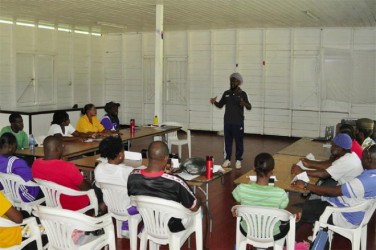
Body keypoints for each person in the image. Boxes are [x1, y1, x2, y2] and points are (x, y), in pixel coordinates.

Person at [292, 144, 376, 229]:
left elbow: (334, 192)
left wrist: (306, 185)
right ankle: (321, 234)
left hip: (345, 216)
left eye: (363, 157)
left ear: (369, 160)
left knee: (298, 209)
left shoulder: (365, 181)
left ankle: (289, 238)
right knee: (313, 200)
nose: (361, 159)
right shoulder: (372, 175)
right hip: (354, 210)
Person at [127, 141, 201, 232]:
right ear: (166, 158)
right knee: (200, 210)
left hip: (148, 220)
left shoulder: (132, 177)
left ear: (147, 155)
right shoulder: (175, 182)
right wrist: (200, 197)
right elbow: (194, 207)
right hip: (172, 226)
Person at [232, 153, 290, 239]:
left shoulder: (241, 189)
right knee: (288, 223)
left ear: (254, 168)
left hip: (247, 230)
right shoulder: (280, 194)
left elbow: (238, 204)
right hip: (272, 233)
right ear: (272, 172)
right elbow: (282, 208)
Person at [31, 135, 91, 211]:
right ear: (58, 149)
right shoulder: (69, 167)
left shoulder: (35, 164)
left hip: (53, 204)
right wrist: (88, 183)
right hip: (74, 205)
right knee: (97, 191)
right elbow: (86, 189)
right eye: (62, 147)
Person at [210, 72, 252, 169]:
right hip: (227, 122)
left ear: (239, 82)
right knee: (227, 141)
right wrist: (214, 102)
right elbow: (220, 105)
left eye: (235, 81)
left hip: (238, 123)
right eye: (231, 80)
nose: (232, 82)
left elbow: (249, 107)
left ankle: (238, 160)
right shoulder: (226, 93)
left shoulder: (242, 94)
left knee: (239, 141)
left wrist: (244, 103)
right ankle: (227, 159)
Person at [95, 136, 135, 236]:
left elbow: (99, 187)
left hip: (111, 205)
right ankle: (135, 226)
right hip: (128, 208)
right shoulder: (127, 171)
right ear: (120, 155)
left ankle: (125, 223)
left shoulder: (98, 169)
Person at [291, 133, 363, 186]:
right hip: (347, 186)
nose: (331, 147)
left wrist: (301, 171)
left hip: (346, 193)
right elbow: (330, 166)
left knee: (319, 184)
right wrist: (310, 163)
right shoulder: (351, 155)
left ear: (339, 148)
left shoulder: (345, 161)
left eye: (333, 145)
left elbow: (324, 174)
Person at [0, 133, 41, 203]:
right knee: (46, 189)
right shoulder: (17, 162)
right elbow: (33, 179)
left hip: (5, 193)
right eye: (15, 146)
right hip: (24, 195)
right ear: (10, 147)